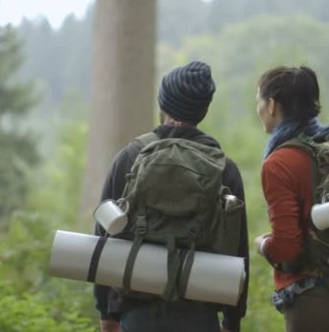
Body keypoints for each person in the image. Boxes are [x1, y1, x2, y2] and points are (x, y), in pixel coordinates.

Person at [94, 61, 249, 332]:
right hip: (200, 309)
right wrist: (232, 321)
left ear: (163, 105)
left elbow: (103, 237)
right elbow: (238, 250)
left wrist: (106, 313)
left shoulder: (130, 157)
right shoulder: (224, 168)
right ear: (202, 110)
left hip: (138, 311)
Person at [253, 65, 329, 331]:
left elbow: (287, 247)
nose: (259, 110)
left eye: (259, 102)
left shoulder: (279, 163)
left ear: (272, 105)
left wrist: (263, 245)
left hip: (313, 304)